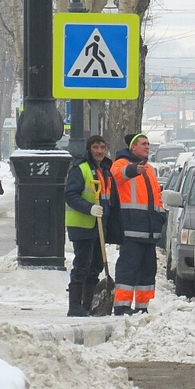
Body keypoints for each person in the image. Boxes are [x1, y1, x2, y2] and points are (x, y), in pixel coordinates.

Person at [64, 135, 121, 317]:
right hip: (82, 226)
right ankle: (74, 306)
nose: (99, 151)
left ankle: (87, 305)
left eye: (102, 147)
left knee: (95, 266)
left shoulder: (105, 171)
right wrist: (89, 208)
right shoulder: (80, 169)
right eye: (96, 147)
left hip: (99, 228)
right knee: (82, 264)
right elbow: (70, 195)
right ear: (89, 149)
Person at [110, 133, 166, 316]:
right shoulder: (121, 164)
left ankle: (143, 307)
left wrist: (161, 214)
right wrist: (133, 170)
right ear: (133, 147)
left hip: (149, 231)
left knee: (147, 273)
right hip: (131, 228)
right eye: (143, 144)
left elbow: (156, 197)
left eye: (148, 144)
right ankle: (122, 306)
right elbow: (116, 177)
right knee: (128, 269)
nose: (147, 147)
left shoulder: (149, 169)